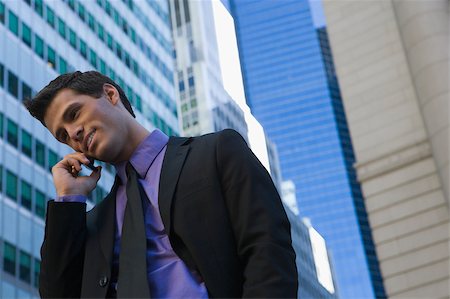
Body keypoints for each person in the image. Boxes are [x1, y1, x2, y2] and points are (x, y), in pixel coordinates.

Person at [25, 71, 298, 298]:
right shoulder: (95, 222)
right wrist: (69, 200)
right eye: (63, 136)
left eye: (74, 114)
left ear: (110, 95)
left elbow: (268, 251)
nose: (73, 133)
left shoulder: (215, 152)